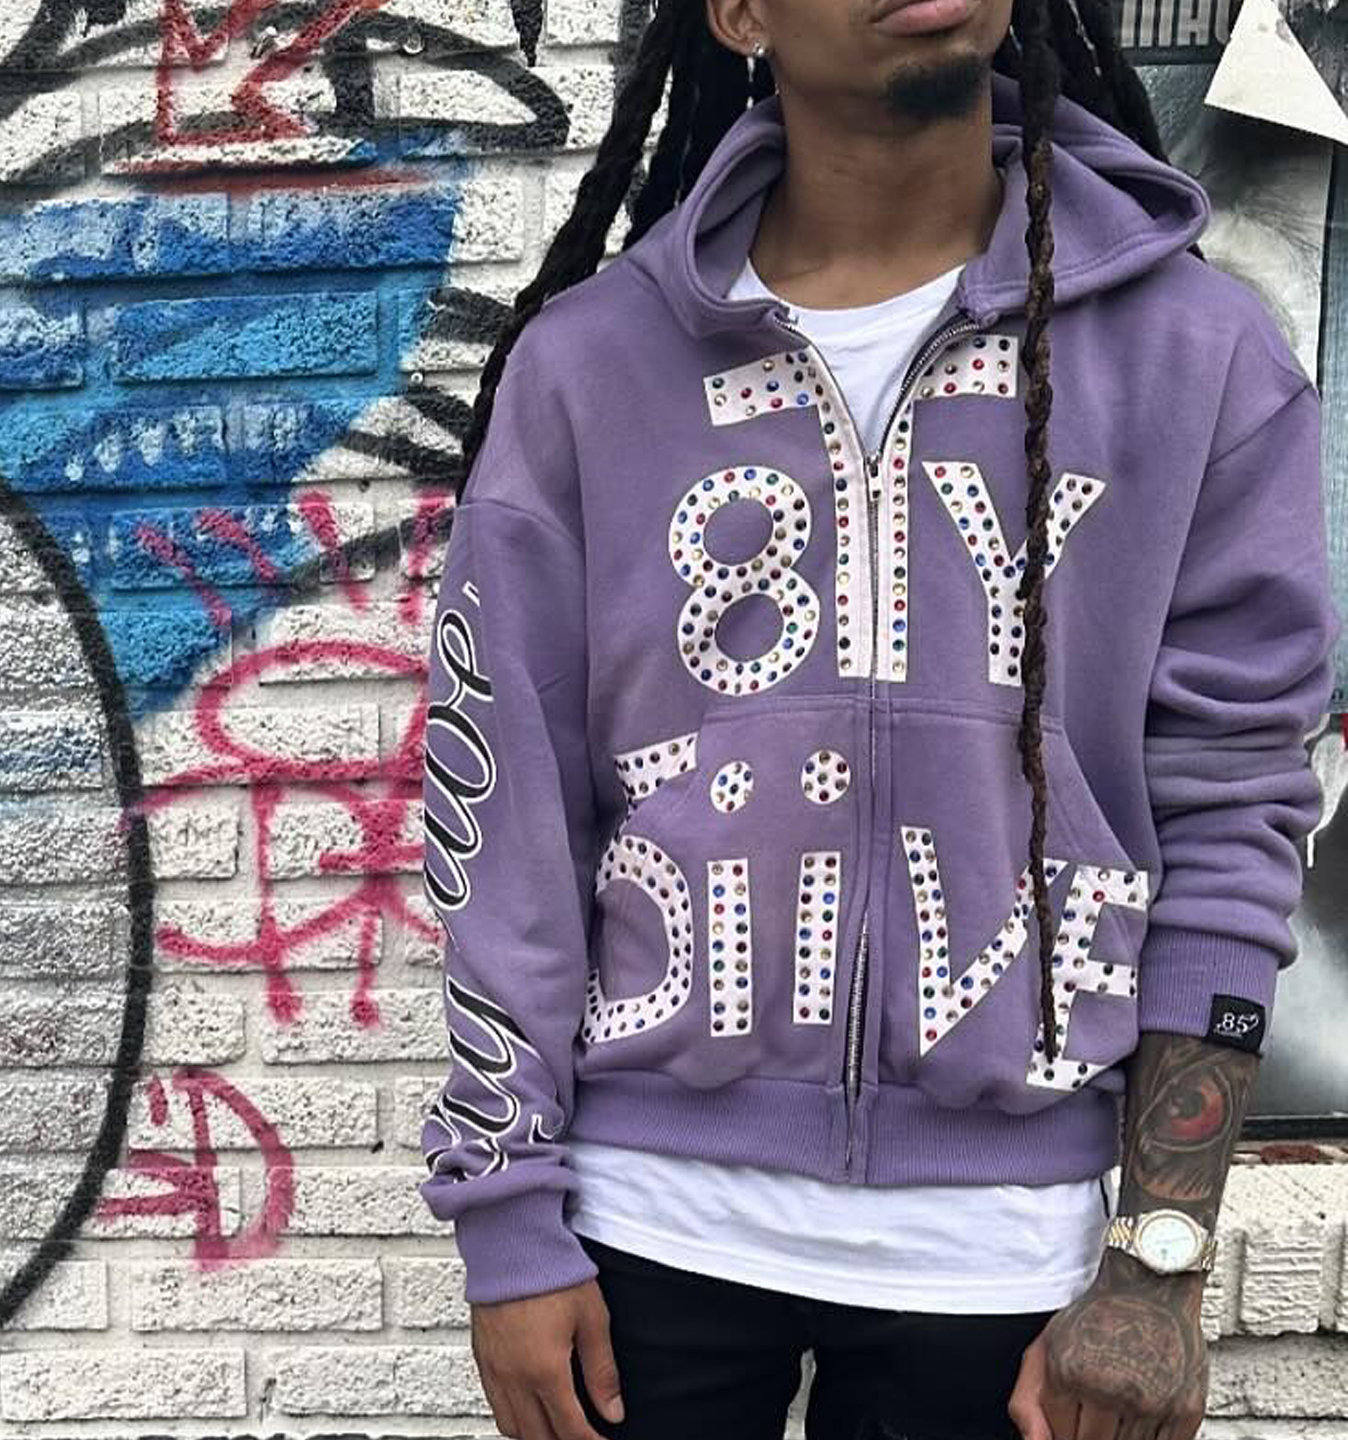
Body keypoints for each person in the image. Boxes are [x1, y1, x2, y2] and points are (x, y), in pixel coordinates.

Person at [417, 1, 1343, 1437]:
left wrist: (1157, 1263)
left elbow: (1230, 813)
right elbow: (511, 822)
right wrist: (505, 1214)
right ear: (739, 13)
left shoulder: (1196, 355)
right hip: (643, 1230)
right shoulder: (592, 366)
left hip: (1004, 1255)